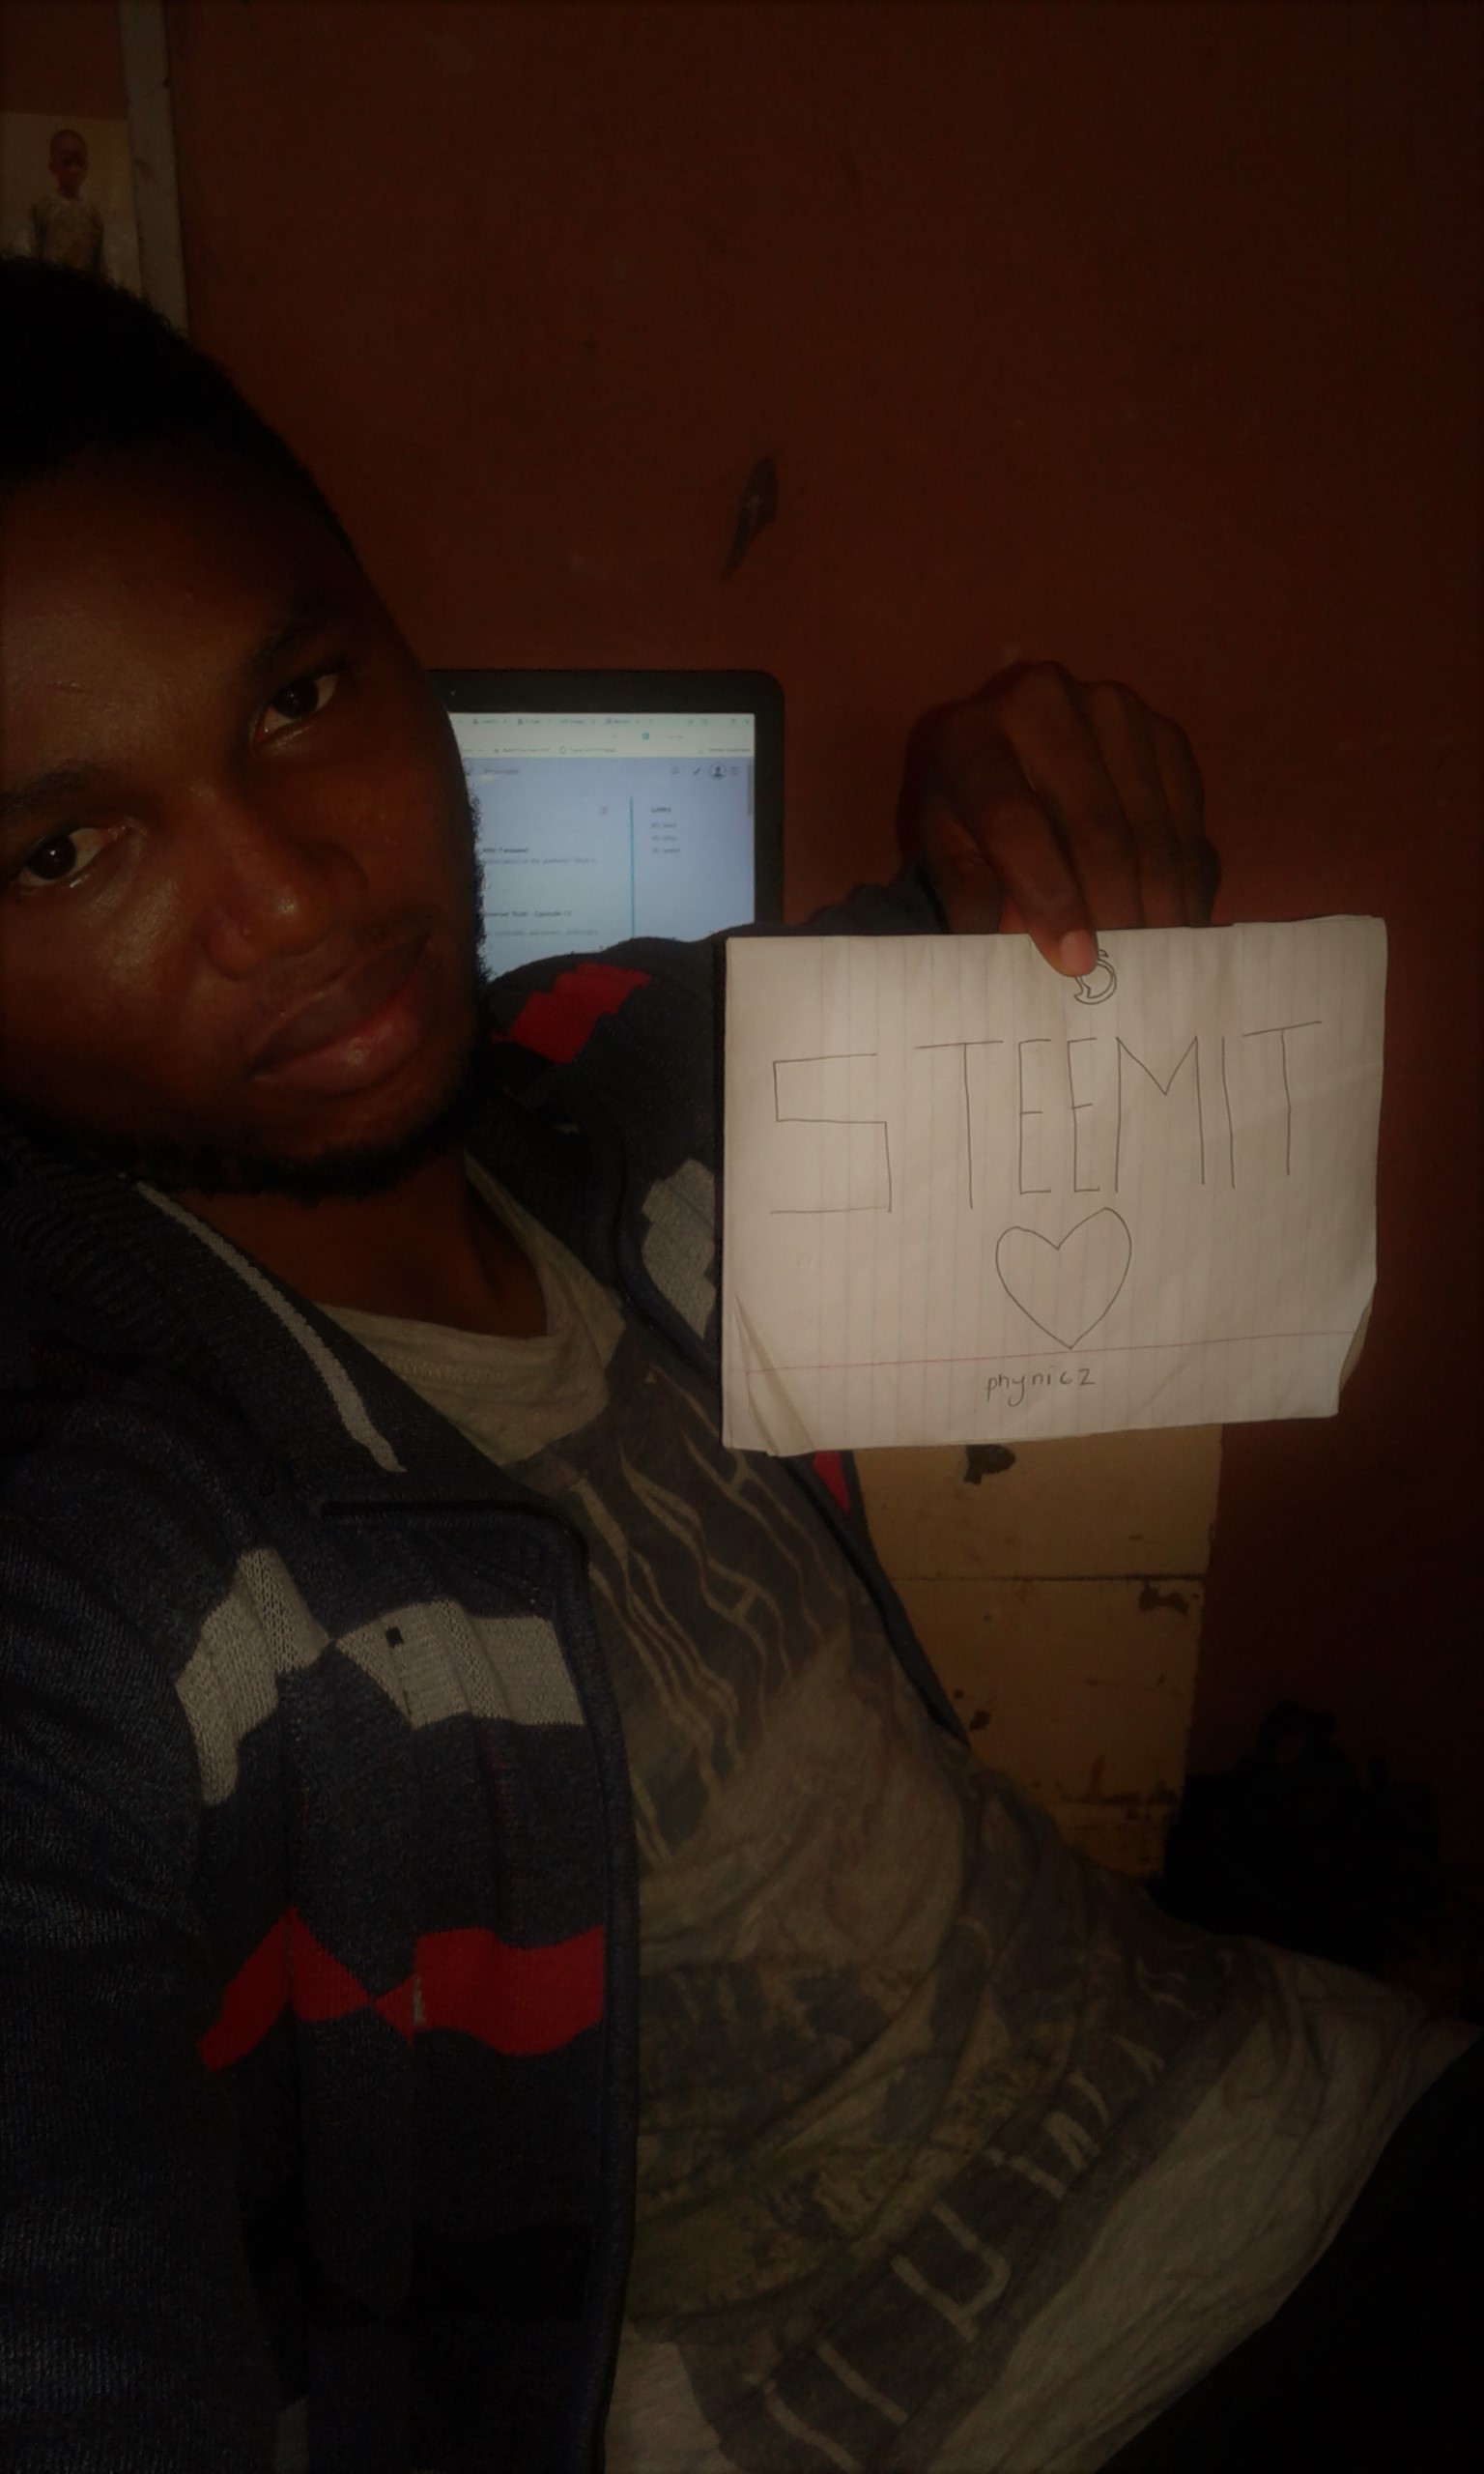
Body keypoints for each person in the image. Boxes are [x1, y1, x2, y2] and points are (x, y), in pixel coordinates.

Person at [0, 260, 1476, 2474]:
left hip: (1326, 2099)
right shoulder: (95, 1538)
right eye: (63, 846)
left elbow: (973, 943)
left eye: (298, 696)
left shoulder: (591, 1083)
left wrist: (1000, 786)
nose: (291, 896)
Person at [12, 129, 107, 278]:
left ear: (86, 167)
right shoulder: (43, 207)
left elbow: (100, 263)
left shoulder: (92, 213)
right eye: (66, 163)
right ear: (53, 166)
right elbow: (26, 253)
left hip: (85, 288)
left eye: (80, 163)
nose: (74, 170)